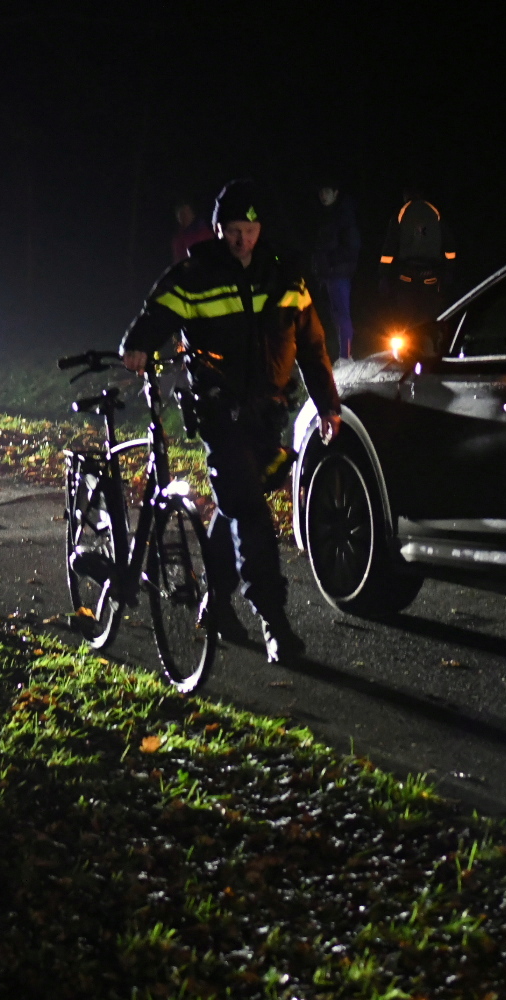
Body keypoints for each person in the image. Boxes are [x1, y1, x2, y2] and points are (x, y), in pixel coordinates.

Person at [121, 178, 341, 661]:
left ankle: (215, 603)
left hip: (269, 414)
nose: (241, 238)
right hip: (219, 412)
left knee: (236, 504)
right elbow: (156, 312)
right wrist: (137, 343)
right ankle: (274, 620)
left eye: (249, 228)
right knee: (252, 513)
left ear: (260, 228)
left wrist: (327, 404)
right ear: (217, 228)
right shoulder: (194, 274)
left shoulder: (285, 276)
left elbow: (312, 344)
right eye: (232, 229)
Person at [378, 188, 456, 326]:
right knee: (429, 317)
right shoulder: (435, 212)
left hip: (406, 275)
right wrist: (449, 270)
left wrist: (384, 275)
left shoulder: (401, 213)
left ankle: (408, 345)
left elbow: (389, 247)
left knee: (404, 319)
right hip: (431, 275)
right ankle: (430, 344)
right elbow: (449, 245)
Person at [308, 183, 359, 360]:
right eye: (321, 191)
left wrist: (330, 262)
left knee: (341, 314)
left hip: (338, 273)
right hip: (327, 274)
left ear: (336, 193)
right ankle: (338, 354)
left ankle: (346, 356)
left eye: (327, 191)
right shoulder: (325, 216)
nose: (323, 195)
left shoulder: (343, 215)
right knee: (333, 316)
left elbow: (351, 246)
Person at [171, 197, 215, 263]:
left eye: (186, 213)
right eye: (181, 214)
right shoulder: (178, 239)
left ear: (192, 213)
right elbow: (178, 261)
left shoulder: (205, 231)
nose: (184, 217)